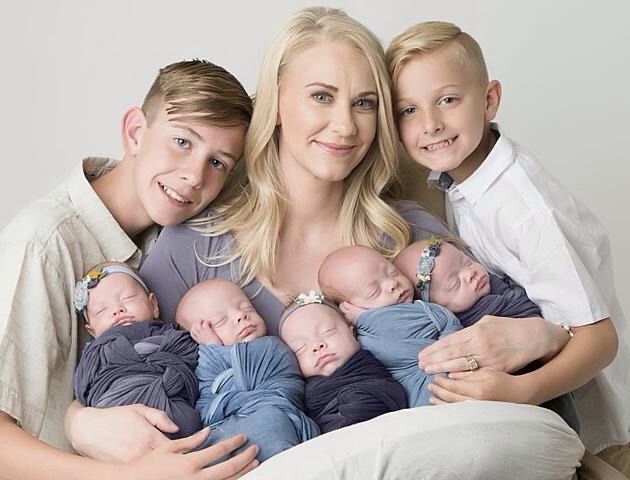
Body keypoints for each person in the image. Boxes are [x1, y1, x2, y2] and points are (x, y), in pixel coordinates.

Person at [72, 7, 584, 478]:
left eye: (364, 103)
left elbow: (510, 337)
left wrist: (544, 335)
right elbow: (128, 367)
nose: (344, 125)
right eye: (321, 96)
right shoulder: (192, 247)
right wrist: (78, 420)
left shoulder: (410, 235)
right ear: (277, 103)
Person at [386, 19, 629, 467]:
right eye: (409, 110)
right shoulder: (460, 176)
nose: (431, 124)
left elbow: (600, 340)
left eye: (448, 100)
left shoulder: (525, 209)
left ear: (489, 100)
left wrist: (520, 390)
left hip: (599, 424)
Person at [0, 59, 259, 479]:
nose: (194, 176)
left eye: (217, 163)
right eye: (182, 141)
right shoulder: (44, 241)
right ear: (135, 132)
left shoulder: (183, 241)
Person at [394, 237, 579, 432]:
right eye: (454, 283)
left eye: (467, 262)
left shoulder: (502, 289)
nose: (469, 274)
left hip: (547, 387)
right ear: (435, 308)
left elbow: (529, 315)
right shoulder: (452, 330)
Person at [175, 279, 319, 462]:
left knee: (270, 420)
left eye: (247, 308)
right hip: (227, 428)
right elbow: (206, 409)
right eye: (221, 321)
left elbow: (224, 395)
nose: (240, 316)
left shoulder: (271, 346)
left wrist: (215, 348)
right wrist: (212, 350)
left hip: (274, 414)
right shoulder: (205, 364)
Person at [318, 244, 462, 407]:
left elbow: (450, 322)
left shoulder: (426, 308)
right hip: (421, 398)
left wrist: (449, 339)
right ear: (348, 308)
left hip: (456, 376)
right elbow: (386, 353)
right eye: (374, 291)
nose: (392, 283)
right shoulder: (365, 334)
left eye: (393, 272)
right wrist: (363, 318)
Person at [73, 261, 202, 439]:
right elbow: (84, 388)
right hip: (117, 411)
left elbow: (192, 353)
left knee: (188, 422)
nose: (117, 310)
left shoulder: (171, 334)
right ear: (92, 332)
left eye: (127, 298)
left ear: (153, 305)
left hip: (171, 399)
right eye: (101, 310)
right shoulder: (95, 352)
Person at [278, 291, 408, 433]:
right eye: (300, 348)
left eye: (327, 332)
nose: (317, 346)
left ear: (352, 332)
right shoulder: (305, 399)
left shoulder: (375, 367)